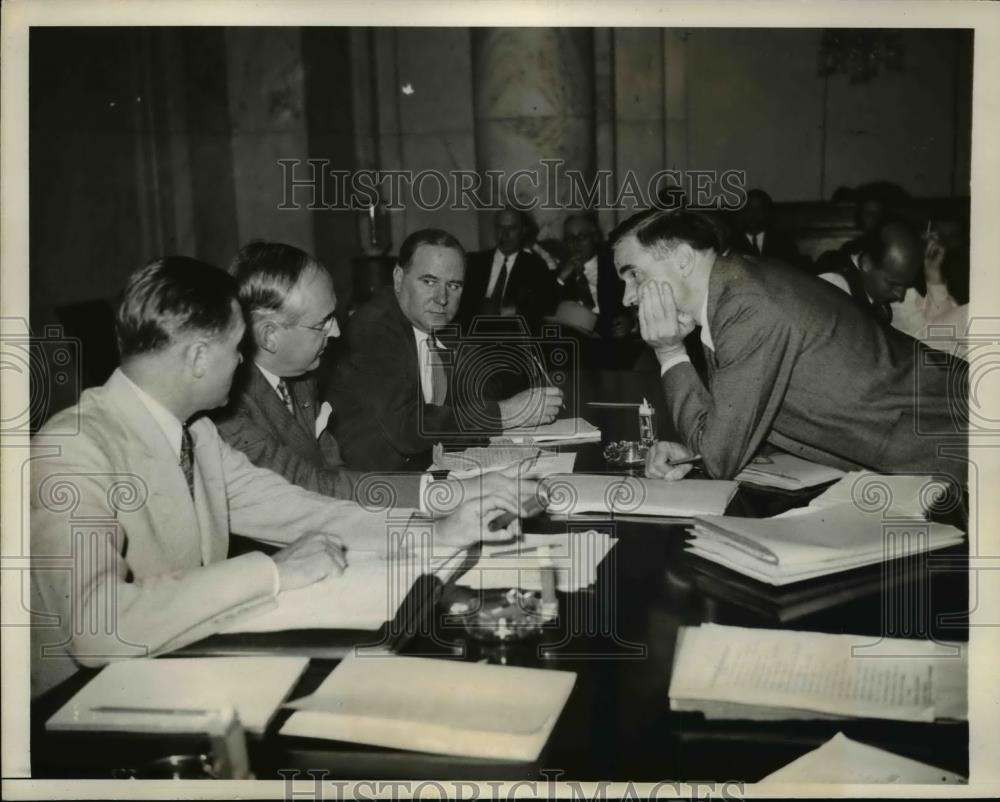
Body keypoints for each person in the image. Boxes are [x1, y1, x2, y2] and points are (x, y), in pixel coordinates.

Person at [29, 257, 521, 697]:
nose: (243, 360)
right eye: (235, 346)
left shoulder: (195, 434)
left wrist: (433, 530)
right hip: (76, 710)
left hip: (173, 674)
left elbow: (299, 508)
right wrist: (273, 571)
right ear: (199, 357)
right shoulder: (72, 449)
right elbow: (95, 627)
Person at [608, 209, 967, 485]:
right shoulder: (733, 285)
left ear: (683, 260)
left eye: (634, 274)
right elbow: (742, 420)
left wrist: (669, 352)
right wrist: (696, 451)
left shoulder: (746, 305)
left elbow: (721, 462)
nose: (627, 297)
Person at [214, 241, 526, 508]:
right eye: (321, 324)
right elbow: (311, 484)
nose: (336, 332)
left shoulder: (301, 378)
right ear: (270, 336)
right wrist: (448, 492)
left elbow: (333, 467)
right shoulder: (229, 409)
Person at [330, 229, 563, 472]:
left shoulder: (437, 323)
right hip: (376, 485)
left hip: (430, 467)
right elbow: (407, 428)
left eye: (453, 285)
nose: (442, 298)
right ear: (399, 278)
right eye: (429, 281)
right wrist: (505, 413)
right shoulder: (374, 327)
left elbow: (484, 386)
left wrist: (524, 398)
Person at [455, 207, 558, 333]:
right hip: (471, 335)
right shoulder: (474, 262)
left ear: (522, 231)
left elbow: (543, 307)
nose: (505, 235)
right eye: (500, 228)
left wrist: (513, 311)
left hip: (512, 337)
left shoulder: (535, 267)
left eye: (512, 228)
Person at [815, 220, 923, 325]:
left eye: (907, 286)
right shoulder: (834, 287)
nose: (900, 296)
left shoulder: (880, 286)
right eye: (893, 284)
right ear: (867, 263)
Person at [556, 214, 631, 340]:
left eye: (582, 236)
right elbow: (547, 309)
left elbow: (630, 306)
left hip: (610, 339)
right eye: (570, 238)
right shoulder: (559, 273)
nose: (575, 243)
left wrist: (630, 321)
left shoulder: (614, 265)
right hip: (572, 341)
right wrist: (561, 278)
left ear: (595, 237)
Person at [728, 188, 802, 267]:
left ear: (767, 212)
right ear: (742, 211)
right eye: (749, 208)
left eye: (759, 209)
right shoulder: (731, 243)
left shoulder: (784, 242)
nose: (753, 214)